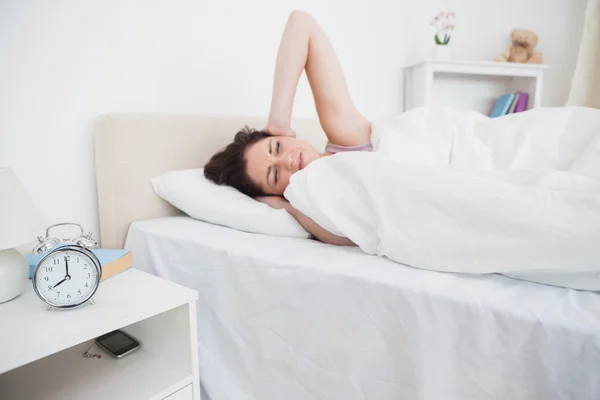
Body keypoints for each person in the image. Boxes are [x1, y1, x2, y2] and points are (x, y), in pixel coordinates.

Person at [205, 10, 369, 246]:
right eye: (275, 174)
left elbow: (302, 22)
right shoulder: (316, 208)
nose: (288, 161)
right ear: (275, 194)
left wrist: (279, 121)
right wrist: (286, 207)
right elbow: (352, 238)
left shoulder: (348, 139)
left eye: (277, 146)